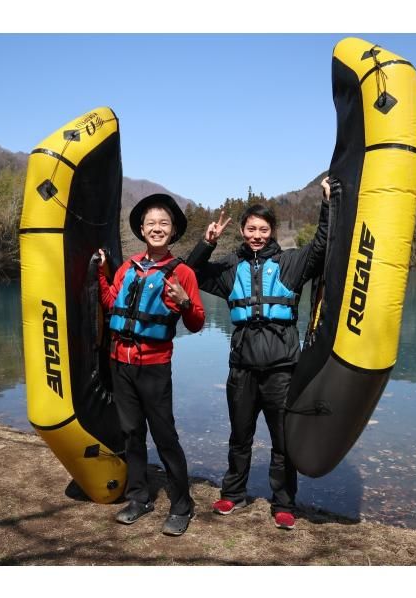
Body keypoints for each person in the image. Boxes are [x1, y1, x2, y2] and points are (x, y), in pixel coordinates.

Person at [186, 178, 331, 531]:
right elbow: (189, 273)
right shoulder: (229, 269)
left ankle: (283, 503)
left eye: (263, 229)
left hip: (283, 369)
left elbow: (322, 246)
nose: (257, 234)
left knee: (283, 440)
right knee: (240, 436)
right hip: (242, 368)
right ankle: (233, 494)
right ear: (241, 229)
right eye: (251, 228)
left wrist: (327, 205)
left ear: (272, 231)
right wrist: (206, 243)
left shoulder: (289, 264)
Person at [97, 193, 205, 537]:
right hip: (121, 364)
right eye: (151, 223)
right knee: (131, 433)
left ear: (172, 232)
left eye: (164, 224)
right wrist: (101, 274)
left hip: (155, 367)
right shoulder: (128, 267)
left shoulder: (183, 272)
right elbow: (112, 302)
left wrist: (185, 302)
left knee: (165, 436)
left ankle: (181, 505)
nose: (157, 229)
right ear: (142, 229)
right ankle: (139, 497)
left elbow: (197, 322)